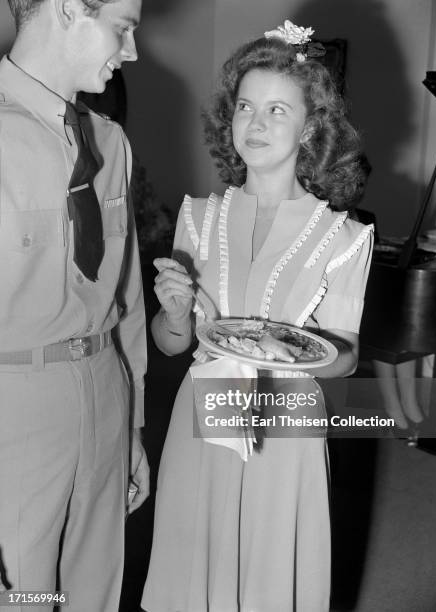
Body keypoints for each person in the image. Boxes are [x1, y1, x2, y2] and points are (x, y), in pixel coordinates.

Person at [141, 20, 373, 612]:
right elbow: (172, 345)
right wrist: (172, 314)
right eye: (246, 107)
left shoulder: (344, 236)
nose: (257, 123)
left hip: (287, 416)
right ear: (229, 118)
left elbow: (342, 358)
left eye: (277, 109)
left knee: (269, 572)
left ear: (311, 126)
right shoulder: (197, 217)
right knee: (198, 562)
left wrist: (291, 350)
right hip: (205, 407)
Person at [0, 1, 149, 610]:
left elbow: (128, 295)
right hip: (14, 404)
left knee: (95, 589)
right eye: (123, 27)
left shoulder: (110, 142)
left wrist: (133, 424)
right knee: (22, 596)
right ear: (68, 8)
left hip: (104, 385)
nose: (132, 51)